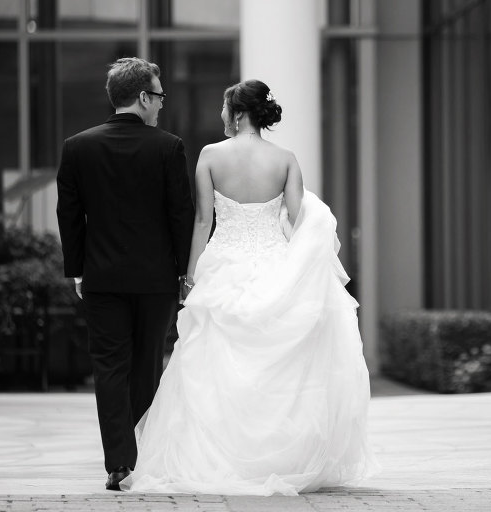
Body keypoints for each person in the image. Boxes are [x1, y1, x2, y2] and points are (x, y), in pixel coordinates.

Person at [120, 79, 379, 495]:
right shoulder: (286, 159)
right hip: (274, 264)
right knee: (276, 369)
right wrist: (300, 275)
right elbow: (299, 222)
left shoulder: (209, 156)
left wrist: (189, 279)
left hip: (223, 267)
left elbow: (202, 222)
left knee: (214, 363)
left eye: (225, 109)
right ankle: (278, 457)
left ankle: (218, 457)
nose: (222, 117)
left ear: (237, 113)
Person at [56, 57, 195, 491]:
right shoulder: (168, 146)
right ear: (141, 97)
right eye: (158, 96)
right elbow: (181, 217)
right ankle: (131, 452)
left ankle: (119, 461)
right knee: (147, 367)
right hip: (155, 280)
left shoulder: (77, 146)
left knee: (109, 368)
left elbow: (69, 215)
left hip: (100, 277)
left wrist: (76, 270)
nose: (160, 105)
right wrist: (183, 274)